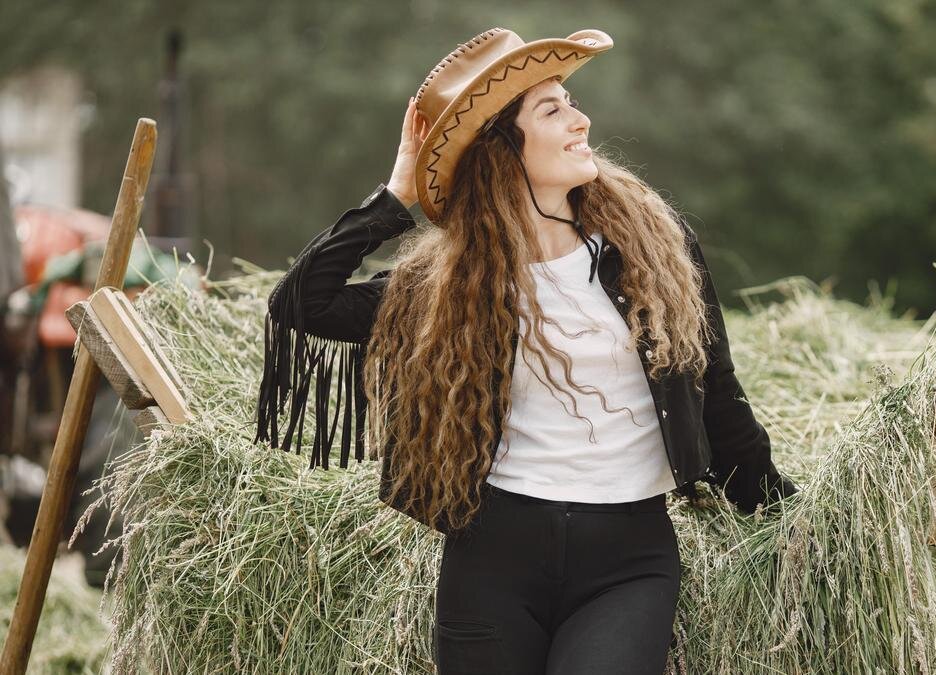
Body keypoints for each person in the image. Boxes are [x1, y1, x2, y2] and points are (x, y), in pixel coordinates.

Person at [255, 27, 797, 675]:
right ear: (500, 149)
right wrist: (398, 192)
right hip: (492, 560)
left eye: (570, 101)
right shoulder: (448, 282)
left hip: (629, 560)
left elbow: (720, 392)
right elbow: (300, 303)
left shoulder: (655, 245)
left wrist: (785, 517)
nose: (580, 118)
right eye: (552, 109)